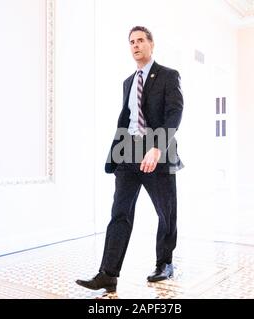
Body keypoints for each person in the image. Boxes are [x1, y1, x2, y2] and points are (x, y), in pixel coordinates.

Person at [76, 26, 184, 293]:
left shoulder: (169, 76)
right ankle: (108, 273)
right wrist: (115, 154)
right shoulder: (128, 82)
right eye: (131, 42)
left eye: (140, 41)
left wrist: (158, 147)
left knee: (165, 212)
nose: (135, 45)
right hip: (128, 153)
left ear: (151, 44)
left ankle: (165, 264)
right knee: (119, 214)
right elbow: (125, 119)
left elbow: (174, 113)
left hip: (156, 152)